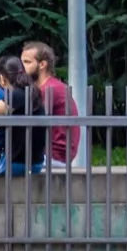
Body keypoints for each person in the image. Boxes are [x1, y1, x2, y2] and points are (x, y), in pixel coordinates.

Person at [21, 39, 81, 171]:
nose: (22, 68)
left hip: (53, 156)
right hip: (48, 153)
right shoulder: (45, 88)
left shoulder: (49, 90)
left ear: (42, 64)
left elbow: (30, 123)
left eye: (27, 62)